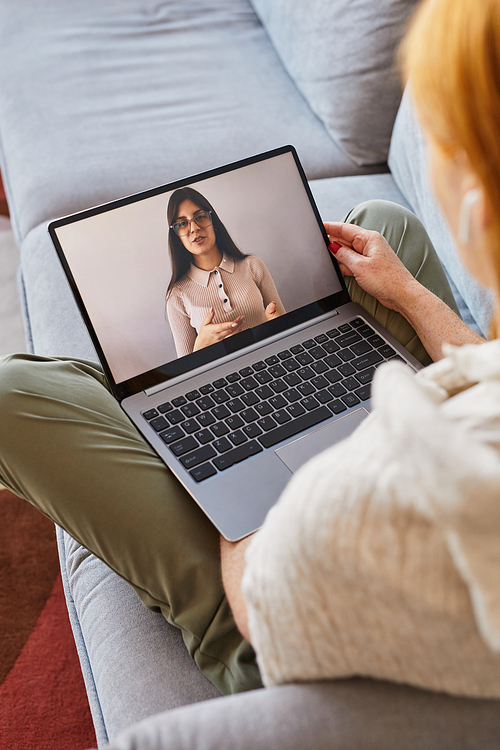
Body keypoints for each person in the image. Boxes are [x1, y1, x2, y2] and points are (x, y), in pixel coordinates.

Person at [0, 0, 499, 700]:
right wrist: (409, 295)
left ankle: (153, 437)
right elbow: (484, 370)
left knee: (13, 396)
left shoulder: (408, 473)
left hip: (261, 611)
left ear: (475, 211)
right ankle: (146, 415)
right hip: (368, 438)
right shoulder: (483, 382)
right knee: (382, 226)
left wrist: (234, 487)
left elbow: (266, 597)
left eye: (437, 145)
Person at [165, 187, 285, 357]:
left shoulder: (253, 265)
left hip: (271, 359)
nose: (194, 228)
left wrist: (277, 324)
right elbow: (189, 376)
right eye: (182, 223)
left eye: (199, 217)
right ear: (176, 235)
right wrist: (201, 346)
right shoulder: (177, 296)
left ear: (213, 220)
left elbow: (286, 328)